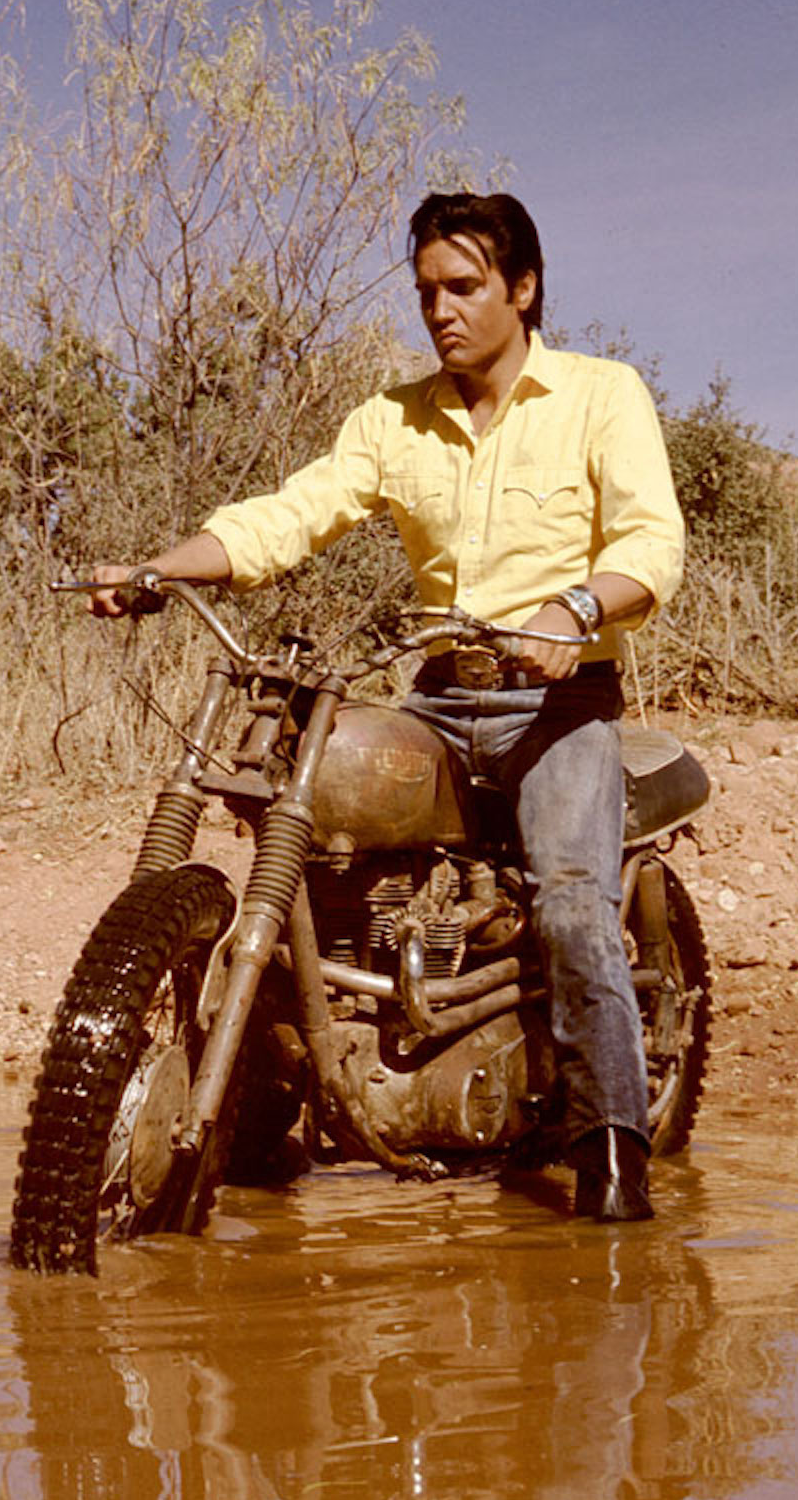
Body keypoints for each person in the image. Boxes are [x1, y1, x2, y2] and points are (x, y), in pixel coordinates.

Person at [88, 190, 685, 1221]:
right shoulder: (390, 421)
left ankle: (612, 1156)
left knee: (573, 907)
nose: (440, 311)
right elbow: (289, 515)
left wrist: (574, 606)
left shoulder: (600, 395)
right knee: (309, 832)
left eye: (463, 287)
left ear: (523, 288)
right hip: (436, 698)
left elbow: (649, 543)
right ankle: (270, 1106)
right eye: (425, 293)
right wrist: (159, 568)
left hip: (560, 697)